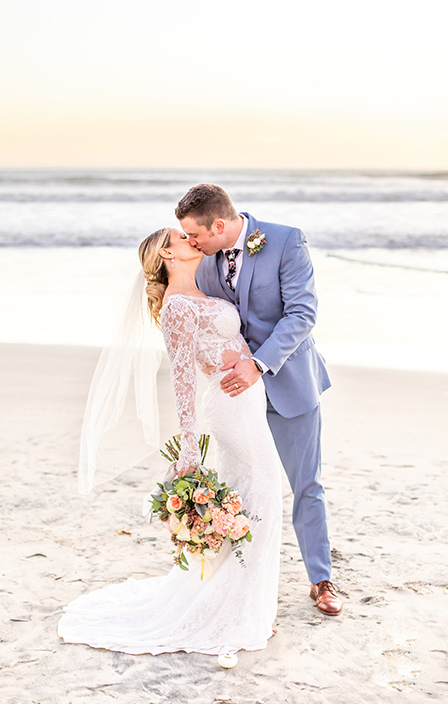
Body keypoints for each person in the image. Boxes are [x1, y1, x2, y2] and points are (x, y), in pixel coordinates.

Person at [58, 227, 283, 660]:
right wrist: (187, 446)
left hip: (248, 401)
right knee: (262, 495)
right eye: (182, 237)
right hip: (230, 408)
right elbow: (182, 380)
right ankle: (239, 611)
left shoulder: (203, 291)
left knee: (255, 498)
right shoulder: (178, 307)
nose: (192, 239)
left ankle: (244, 604)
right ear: (167, 253)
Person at [175, 184, 342, 616]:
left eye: (196, 235)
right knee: (244, 489)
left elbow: (302, 313)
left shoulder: (286, 240)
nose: (191, 243)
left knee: (306, 485)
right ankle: (235, 583)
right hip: (236, 401)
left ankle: (320, 580)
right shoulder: (204, 264)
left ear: (220, 224)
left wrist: (258, 363)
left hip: (290, 385)